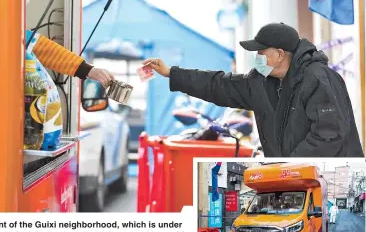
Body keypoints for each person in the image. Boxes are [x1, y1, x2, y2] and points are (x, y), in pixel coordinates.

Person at [144, 22, 364, 157]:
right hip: (291, 177)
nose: (256, 58)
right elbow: (218, 85)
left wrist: (289, 167)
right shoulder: (261, 81)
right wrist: (172, 73)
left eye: (261, 52)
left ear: (279, 54)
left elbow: (328, 136)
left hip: (321, 178)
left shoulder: (318, 79)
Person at [27, 0, 114, 87]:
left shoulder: (16, 33)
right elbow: (41, 47)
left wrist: (89, 70)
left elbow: (42, 48)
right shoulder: (6, 32)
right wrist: (89, 70)